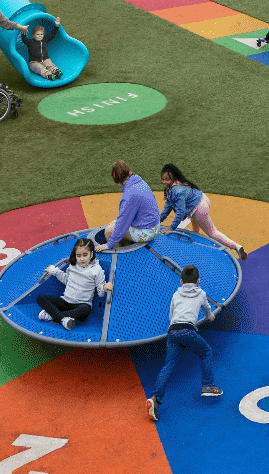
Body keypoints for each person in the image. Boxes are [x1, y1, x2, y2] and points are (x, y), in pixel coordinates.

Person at [146, 264, 223, 421]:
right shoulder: (201, 293)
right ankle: (208, 385)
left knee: (168, 365)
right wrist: (209, 317)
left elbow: (171, 315)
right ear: (198, 281)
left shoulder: (176, 294)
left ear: (181, 281)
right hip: (188, 330)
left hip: (173, 332)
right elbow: (207, 309)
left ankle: (155, 398)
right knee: (206, 351)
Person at [159, 163, 247, 260]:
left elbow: (180, 213)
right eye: (163, 179)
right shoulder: (174, 187)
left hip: (199, 209)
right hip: (201, 199)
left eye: (167, 179)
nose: (164, 181)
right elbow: (166, 209)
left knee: (212, 232)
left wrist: (171, 228)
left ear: (173, 179)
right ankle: (194, 246)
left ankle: (236, 246)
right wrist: (157, 222)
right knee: (194, 224)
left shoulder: (176, 191)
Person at [35, 239, 113, 330]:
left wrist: (104, 287)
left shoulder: (96, 270)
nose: (82, 259)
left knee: (85, 310)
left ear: (91, 254)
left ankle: (53, 315)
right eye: (78, 255)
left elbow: (100, 293)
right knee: (40, 298)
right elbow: (66, 280)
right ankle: (64, 319)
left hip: (81, 304)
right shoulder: (73, 265)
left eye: (85, 255)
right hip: (65, 301)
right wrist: (54, 271)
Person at [106, 160, 161, 247]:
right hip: (153, 226)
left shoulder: (129, 194)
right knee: (113, 224)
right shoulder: (139, 181)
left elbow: (123, 221)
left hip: (147, 232)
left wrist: (109, 244)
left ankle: (122, 258)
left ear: (117, 181)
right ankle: (128, 246)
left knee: (109, 231)